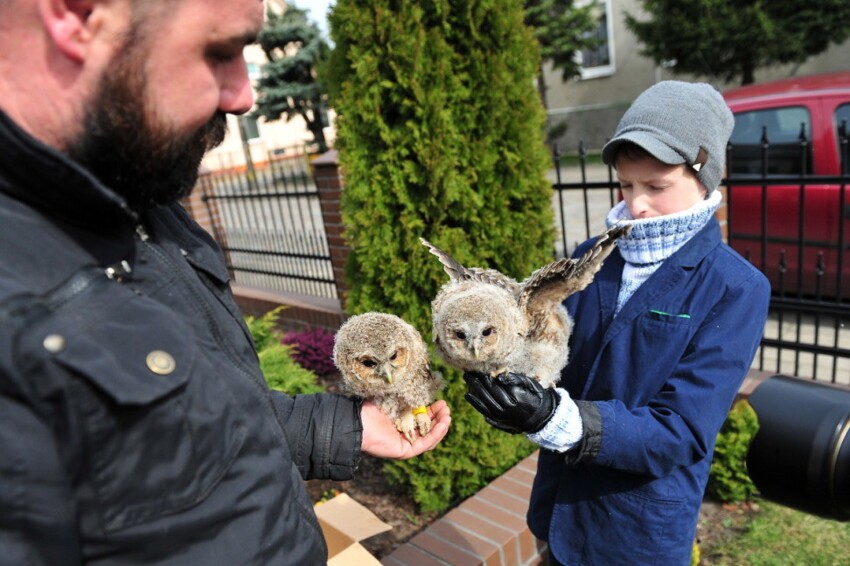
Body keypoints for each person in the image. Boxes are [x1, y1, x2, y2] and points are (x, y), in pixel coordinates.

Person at [0, 1, 450, 564]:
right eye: (220, 52)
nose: (244, 94)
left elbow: (208, 418)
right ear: (80, 14)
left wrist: (343, 428)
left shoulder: (141, 202)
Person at [464, 81, 770, 565]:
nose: (636, 205)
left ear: (705, 177)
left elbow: (684, 431)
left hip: (636, 534)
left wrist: (559, 420)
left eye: (656, 186)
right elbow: (554, 353)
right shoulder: (592, 257)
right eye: (626, 185)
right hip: (558, 511)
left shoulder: (735, 288)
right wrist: (509, 374)